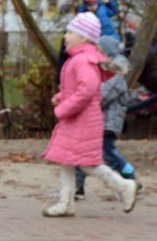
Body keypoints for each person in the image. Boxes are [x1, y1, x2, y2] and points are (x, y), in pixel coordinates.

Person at [42, 12, 139, 217]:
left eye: (70, 32)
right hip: (79, 119)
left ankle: (124, 186)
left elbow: (86, 91)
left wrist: (63, 108)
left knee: (88, 164)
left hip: (82, 120)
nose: (65, 36)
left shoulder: (83, 60)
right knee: (67, 160)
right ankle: (65, 203)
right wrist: (62, 97)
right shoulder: (80, 59)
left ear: (83, 37)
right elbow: (78, 89)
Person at [75, 35, 139, 199]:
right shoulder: (106, 69)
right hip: (100, 121)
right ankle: (77, 185)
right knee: (82, 151)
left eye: (98, 50)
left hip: (107, 123)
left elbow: (101, 96)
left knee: (108, 154)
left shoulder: (114, 73)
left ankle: (130, 178)